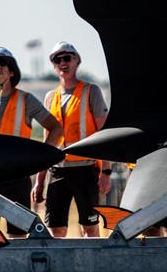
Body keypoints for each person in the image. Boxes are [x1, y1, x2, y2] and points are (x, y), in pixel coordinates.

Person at [0, 46, 63, 237]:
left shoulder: (27, 100)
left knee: (18, 235)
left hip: (17, 178)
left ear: (11, 72)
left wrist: (39, 158)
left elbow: (56, 128)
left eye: (3, 65)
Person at [31, 42, 111, 237]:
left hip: (85, 171)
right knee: (55, 230)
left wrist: (106, 171)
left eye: (67, 58)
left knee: (90, 229)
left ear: (77, 62)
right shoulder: (50, 97)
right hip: (57, 171)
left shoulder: (91, 91)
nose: (62, 63)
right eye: (57, 60)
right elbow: (47, 140)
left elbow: (104, 133)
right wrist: (40, 180)